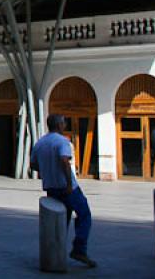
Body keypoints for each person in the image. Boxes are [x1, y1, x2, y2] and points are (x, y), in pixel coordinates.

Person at [30, 114, 96, 268]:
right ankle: (79, 249)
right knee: (84, 214)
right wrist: (68, 183)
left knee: (61, 221)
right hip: (68, 188)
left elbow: (33, 165)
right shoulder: (62, 141)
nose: (65, 125)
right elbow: (64, 161)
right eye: (63, 122)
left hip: (51, 188)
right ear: (59, 125)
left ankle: (56, 253)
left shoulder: (40, 143)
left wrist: (46, 170)